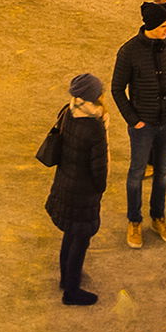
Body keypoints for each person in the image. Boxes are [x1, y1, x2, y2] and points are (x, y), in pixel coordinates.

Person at [110, 2, 166, 249]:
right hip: (144, 125)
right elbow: (117, 89)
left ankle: (158, 218)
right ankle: (134, 221)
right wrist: (135, 121)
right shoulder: (129, 51)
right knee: (136, 174)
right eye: (164, 26)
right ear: (152, 26)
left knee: (162, 173)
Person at [45, 73, 109, 306]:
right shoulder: (94, 127)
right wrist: (100, 189)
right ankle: (71, 291)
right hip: (83, 191)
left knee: (70, 234)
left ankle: (67, 278)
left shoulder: (68, 112)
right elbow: (99, 168)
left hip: (65, 182)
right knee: (80, 239)